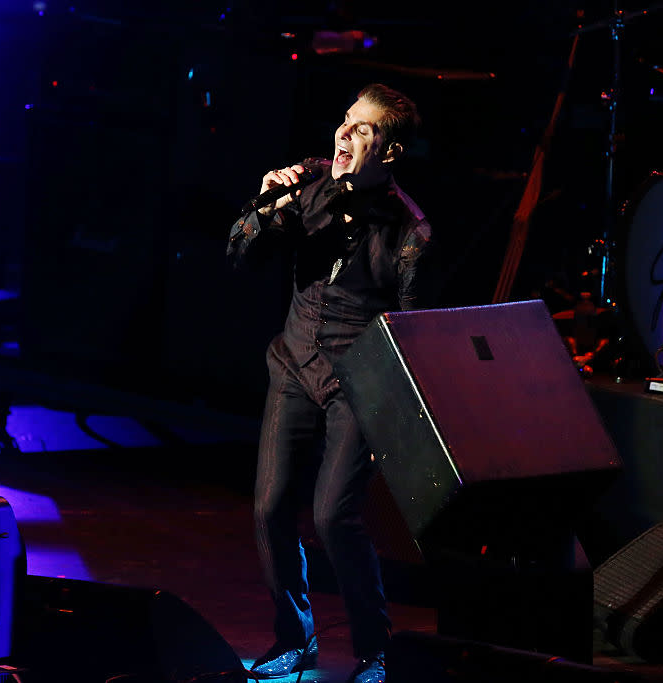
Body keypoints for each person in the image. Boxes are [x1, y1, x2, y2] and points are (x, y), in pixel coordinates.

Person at [227, 83, 437, 683]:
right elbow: (238, 253)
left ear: (389, 153)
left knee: (332, 516)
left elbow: (413, 335)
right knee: (269, 507)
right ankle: (294, 638)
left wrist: (394, 415)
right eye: (345, 122)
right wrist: (267, 207)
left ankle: (376, 651)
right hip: (293, 363)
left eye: (363, 130)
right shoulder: (308, 188)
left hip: (357, 381)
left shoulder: (411, 233)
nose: (344, 135)